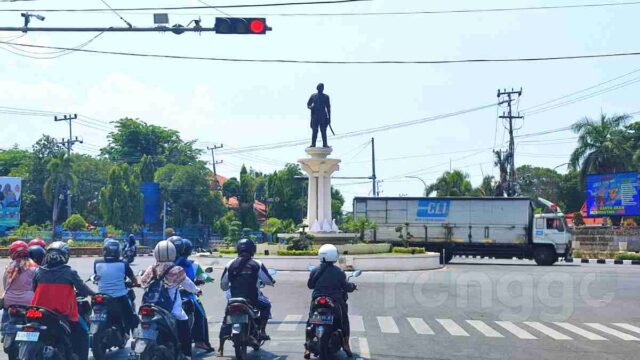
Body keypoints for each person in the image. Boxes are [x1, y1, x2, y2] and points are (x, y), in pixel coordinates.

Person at [31, 241, 96, 360]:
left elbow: (33, 289)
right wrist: (94, 294)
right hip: (62, 314)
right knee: (84, 333)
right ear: (65, 256)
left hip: (37, 312)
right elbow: (82, 288)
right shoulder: (69, 272)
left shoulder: (38, 271)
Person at [140, 240, 198, 359]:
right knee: (184, 319)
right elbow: (188, 285)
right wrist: (197, 290)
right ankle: (187, 354)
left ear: (156, 253)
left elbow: (142, 283)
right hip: (170, 310)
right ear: (173, 253)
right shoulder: (177, 270)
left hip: (150, 306)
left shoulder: (151, 269)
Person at [218, 239, 275, 356]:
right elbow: (268, 280)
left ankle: (220, 347)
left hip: (234, 298)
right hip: (252, 299)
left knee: (226, 317)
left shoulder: (230, 264)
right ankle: (262, 331)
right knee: (267, 305)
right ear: (252, 250)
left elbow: (223, 284)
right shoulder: (257, 264)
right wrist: (271, 282)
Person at [305, 244, 357, 359]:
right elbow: (346, 287)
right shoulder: (339, 272)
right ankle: (346, 345)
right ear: (334, 256)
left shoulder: (315, 270)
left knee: (310, 319)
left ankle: (306, 347)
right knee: (344, 320)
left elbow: (310, 285)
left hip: (317, 300)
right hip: (334, 301)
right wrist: (353, 286)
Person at [172, 238, 215, 353]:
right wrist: (210, 278)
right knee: (200, 315)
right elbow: (204, 277)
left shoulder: (165, 264)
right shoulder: (192, 265)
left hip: (168, 297)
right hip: (187, 295)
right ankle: (200, 341)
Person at [93, 240, 140, 334]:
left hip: (102, 296)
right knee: (131, 315)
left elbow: (97, 276)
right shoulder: (124, 263)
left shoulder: (97, 263)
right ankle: (135, 335)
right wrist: (135, 283)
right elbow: (133, 278)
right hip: (120, 296)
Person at [2, 241, 38, 325]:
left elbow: (5, 286)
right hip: (29, 302)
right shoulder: (34, 267)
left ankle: (4, 331)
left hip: (9, 302)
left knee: (6, 321)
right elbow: (37, 286)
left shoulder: (9, 268)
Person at [307, 83, 332, 148]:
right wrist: (311, 106)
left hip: (323, 116)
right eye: (320, 88)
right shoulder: (313, 96)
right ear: (317, 88)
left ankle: (325, 144)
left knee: (323, 130)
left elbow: (328, 108)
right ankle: (313, 144)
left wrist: (329, 118)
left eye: (322, 88)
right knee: (315, 130)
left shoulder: (326, 97)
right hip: (315, 116)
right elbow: (308, 104)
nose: (321, 89)